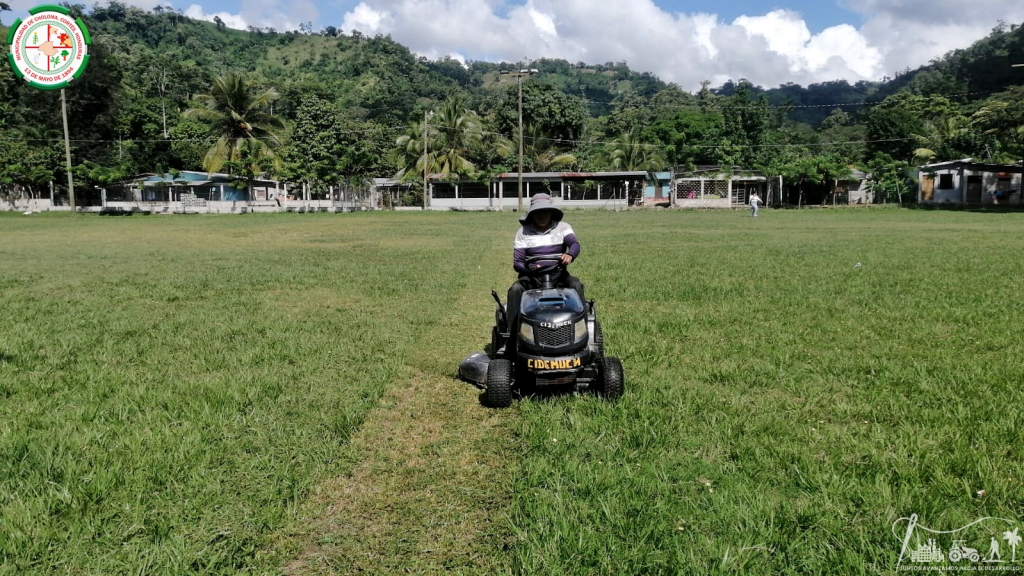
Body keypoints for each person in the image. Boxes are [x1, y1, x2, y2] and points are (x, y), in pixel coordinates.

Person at [504, 193, 584, 353]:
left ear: (551, 212)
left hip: (558, 275)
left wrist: (570, 254)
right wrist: (530, 269)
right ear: (531, 214)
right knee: (515, 290)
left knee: (576, 285)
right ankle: (512, 336)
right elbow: (518, 262)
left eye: (545, 212)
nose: (541, 216)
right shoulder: (522, 232)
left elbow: (574, 244)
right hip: (531, 277)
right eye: (537, 213)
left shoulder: (563, 227)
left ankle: (581, 332)